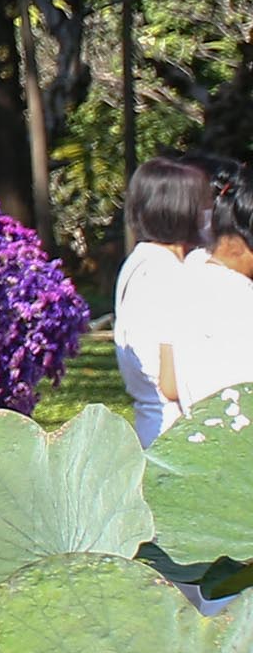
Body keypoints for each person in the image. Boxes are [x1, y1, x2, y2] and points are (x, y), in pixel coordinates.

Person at [119, 153, 211, 439]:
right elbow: (172, 382)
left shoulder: (142, 261)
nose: (211, 213)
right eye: (205, 204)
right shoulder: (169, 274)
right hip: (177, 430)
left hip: (152, 425)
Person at [164, 163, 253, 414]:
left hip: (199, 438)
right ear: (242, 243)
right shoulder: (242, 299)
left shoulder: (184, 274)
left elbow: (170, 385)